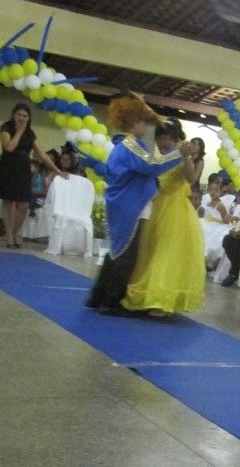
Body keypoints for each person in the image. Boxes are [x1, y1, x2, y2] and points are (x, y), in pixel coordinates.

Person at [80, 94, 187, 314]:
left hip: (123, 203)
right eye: (141, 121)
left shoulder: (119, 146)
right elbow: (153, 165)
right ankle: (112, 301)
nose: (145, 126)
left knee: (116, 252)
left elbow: (114, 173)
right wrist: (179, 154)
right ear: (131, 122)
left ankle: (97, 295)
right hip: (132, 206)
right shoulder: (131, 146)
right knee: (127, 255)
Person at [122, 117, 205, 317]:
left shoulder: (183, 155)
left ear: (176, 138)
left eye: (167, 138)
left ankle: (162, 301)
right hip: (156, 208)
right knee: (150, 252)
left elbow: (192, 179)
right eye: (160, 139)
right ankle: (150, 297)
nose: (162, 143)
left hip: (175, 212)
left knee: (166, 255)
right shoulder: (158, 155)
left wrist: (185, 157)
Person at [0, 103, 64, 249]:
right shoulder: (6, 128)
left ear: (28, 118)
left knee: (24, 204)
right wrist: (19, 132)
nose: (22, 118)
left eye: (25, 116)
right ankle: (9, 235)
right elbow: (9, 147)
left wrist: (57, 170)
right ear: (14, 115)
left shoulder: (30, 133)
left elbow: (42, 154)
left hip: (23, 169)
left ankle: (15, 233)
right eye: (19, 115)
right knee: (9, 202)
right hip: (8, 167)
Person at [199, 174, 232, 270]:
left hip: (216, 225)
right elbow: (203, 214)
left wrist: (229, 218)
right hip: (207, 222)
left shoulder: (220, 205)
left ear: (220, 192)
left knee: (207, 233)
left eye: (216, 190)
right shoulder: (208, 203)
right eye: (211, 190)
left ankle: (208, 261)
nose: (213, 193)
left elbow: (225, 219)